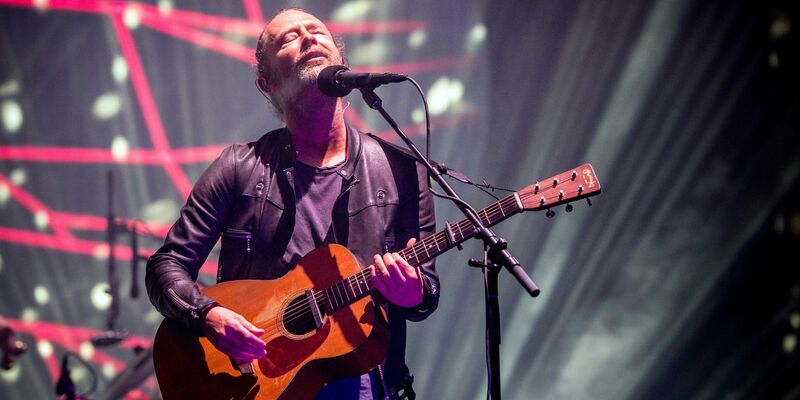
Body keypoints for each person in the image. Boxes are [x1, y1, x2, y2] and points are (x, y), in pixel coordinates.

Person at [145, 8, 439, 399]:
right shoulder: (240, 166)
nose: (308, 38)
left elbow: (425, 292)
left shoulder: (400, 168)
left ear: (341, 61)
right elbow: (166, 266)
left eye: (317, 32)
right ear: (267, 83)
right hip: (255, 383)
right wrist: (207, 315)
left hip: (366, 381)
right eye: (289, 38)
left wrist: (412, 291)